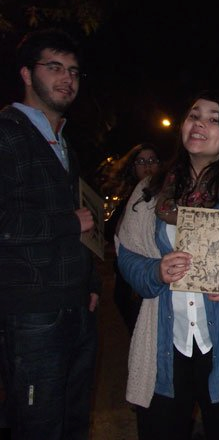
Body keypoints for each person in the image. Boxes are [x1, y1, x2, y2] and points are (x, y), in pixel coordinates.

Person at [116, 91, 219, 440]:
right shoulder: (151, 189)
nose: (199, 124)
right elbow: (127, 253)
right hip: (164, 344)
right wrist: (155, 272)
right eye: (194, 115)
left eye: (213, 118)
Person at [0, 29, 100, 439]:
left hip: (75, 306)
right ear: (27, 73)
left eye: (74, 71)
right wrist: (67, 223)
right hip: (32, 312)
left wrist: (90, 281)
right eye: (54, 67)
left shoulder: (63, 144)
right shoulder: (7, 133)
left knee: (74, 423)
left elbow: (84, 223)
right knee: (38, 425)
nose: (67, 79)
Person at [102, 142, 162, 334]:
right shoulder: (128, 198)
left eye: (152, 160)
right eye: (141, 161)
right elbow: (111, 231)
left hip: (157, 273)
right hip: (129, 278)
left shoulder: (168, 195)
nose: (147, 166)